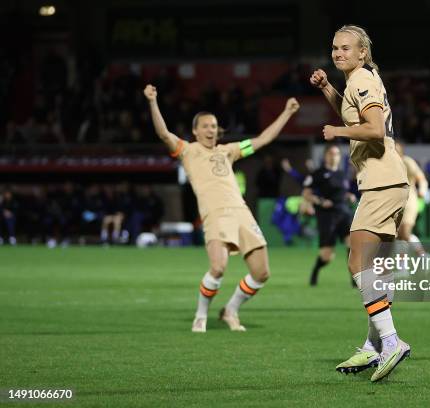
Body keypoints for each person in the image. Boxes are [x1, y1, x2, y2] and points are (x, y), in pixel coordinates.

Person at [144, 84, 300, 333]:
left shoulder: (229, 151)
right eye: (205, 126)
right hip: (215, 215)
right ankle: (201, 315)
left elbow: (263, 139)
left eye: (214, 126)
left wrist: (287, 112)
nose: (210, 130)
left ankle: (230, 310)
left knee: (262, 273)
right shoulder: (187, 151)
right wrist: (152, 101)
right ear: (195, 131)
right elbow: (164, 133)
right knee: (218, 267)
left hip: (241, 212)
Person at [310, 24, 410, 382]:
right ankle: (372, 347)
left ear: (362, 53)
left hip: (381, 181)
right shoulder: (357, 81)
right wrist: (326, 89)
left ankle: (391, 340)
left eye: (346, 48)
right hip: (393, 181)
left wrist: (337, 133)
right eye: (335, 48)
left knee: (357, 260)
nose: (338, 53)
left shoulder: (361, 79)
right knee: (380, 269)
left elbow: (373, 129)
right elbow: (355, 114)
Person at [302, 143, 356, 286]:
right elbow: (306, 194)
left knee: (352, 244)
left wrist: (349, 196)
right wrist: (320, 201)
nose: (334, 156)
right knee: (327, 256)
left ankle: (354, 279)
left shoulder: (342, 174)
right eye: (331, 153)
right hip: (327, 216)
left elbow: (342, 192)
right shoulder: (318, 174)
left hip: (344, 212)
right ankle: (316, 270)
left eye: (337, 154)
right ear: (325, 156)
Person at [394, 141, 429, 257]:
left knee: (405, 231)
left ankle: (423, 256)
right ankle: (402, 268)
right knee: (398, 235)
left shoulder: (407, 162)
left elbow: (421, 178)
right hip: (395, 203)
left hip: (409, 201)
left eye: (396, 149)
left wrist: (422, 190)